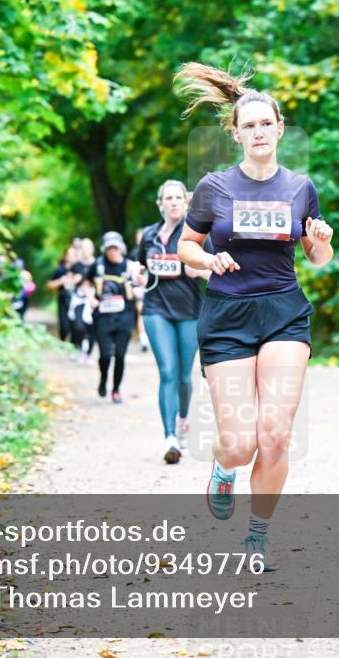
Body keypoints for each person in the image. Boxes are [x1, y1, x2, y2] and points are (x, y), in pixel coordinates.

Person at [174, 63, 334, 568]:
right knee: (242, 443)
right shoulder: (213, 187)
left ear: (279, 129)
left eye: (267, 124)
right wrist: (208, 259)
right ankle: (225, 468)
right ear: (236, 133)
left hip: (284, 312)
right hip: (226, 315)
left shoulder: (300, 187)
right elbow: (186, 246)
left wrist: (322, 243)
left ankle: (257, 535)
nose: (259, 132)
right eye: (250, 125)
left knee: (275, 434)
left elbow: (315, 256)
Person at [138, 180, 213, 465]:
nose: (172, 202)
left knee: (184, 376)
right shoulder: (149, 235)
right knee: (167, 371)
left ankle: (183, 420)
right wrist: (136, 272)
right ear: (160, 204)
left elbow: (216, 267)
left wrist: (201, 268)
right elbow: (139, 265)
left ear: (185, 203)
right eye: (167, 198)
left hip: (189, 310)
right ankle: (169, 437)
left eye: (177, 198)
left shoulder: (196, 235)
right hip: (156, 309)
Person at [89, 232, 140, 403]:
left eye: (115, 248)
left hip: (125, 316)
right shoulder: (98, 265)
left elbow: (141, 284)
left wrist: (138, 288)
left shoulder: (130, 266)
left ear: (121, 249)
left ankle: (116, 390)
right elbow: (86, 283)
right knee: (104, 355)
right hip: (103, 317)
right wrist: (90, 298)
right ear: (105, 249)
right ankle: (103, 379)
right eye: (109, 248)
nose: (113, 252)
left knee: (119, 355)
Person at [46, 247, 80, 343]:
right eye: (70, 255)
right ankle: (64, 343)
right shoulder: (60, 269)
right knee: (64, 326)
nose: (72, 257)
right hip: (64, 298)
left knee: (76, 325)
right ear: (65, 256)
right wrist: (61, 281)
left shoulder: (79, 269)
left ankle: (74, 346)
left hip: (77, 300)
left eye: (74, 255)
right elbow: (49, 285)